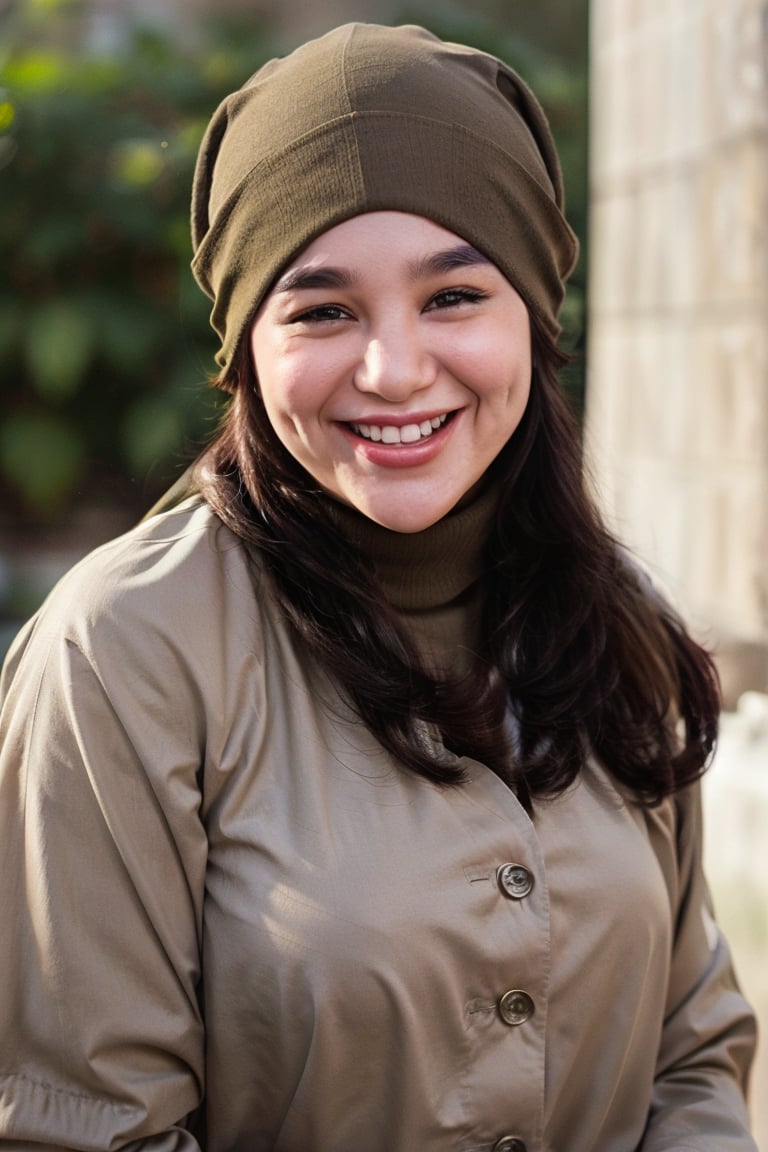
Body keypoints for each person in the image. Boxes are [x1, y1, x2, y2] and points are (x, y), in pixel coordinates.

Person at [0, 22, 758, 1152]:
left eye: (454, 296)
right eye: (322, 308)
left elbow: (690, 1060)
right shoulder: (124, 656)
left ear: (537, 317)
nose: (394, 369)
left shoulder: (623, 626)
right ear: (248, 346)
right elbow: (82, 1127)